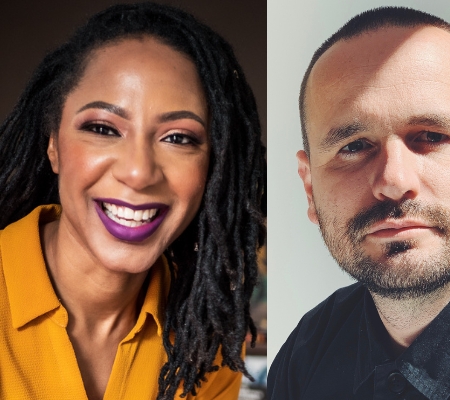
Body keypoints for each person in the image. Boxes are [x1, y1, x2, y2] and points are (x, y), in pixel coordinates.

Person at [0, 3, 266, 400]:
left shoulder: (204, 341)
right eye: (103, 128)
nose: (139, 172)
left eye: (179, 138)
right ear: (52, 144)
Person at [266, 6, 450, 400]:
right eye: (354, 146)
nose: (393, 181)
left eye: (431, 136)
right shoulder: (306, 351)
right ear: (310, 189)